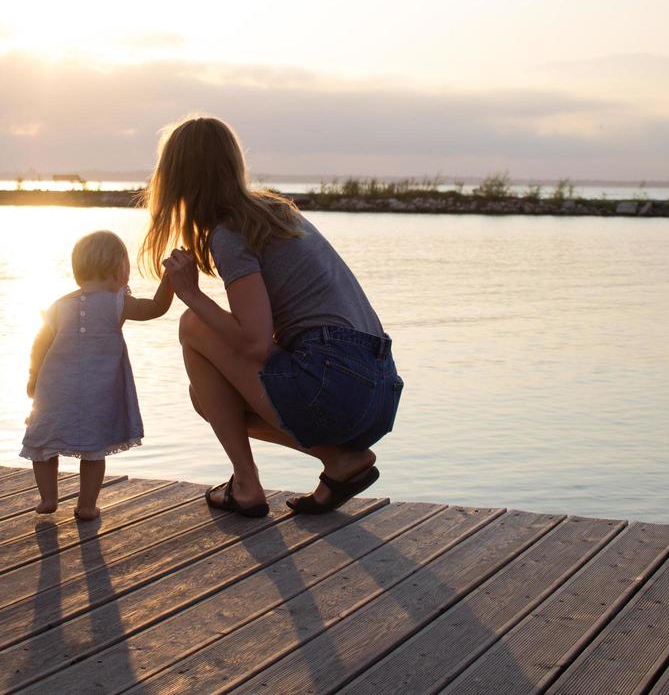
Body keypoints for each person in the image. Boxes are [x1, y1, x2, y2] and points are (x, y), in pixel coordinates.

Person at [143, 116, 403, 517]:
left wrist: (191, 294)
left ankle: (246, 485)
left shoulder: (230, 231)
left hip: (336, 385)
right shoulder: (274, 212)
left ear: (177, 178)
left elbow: (255, 343)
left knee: (192, 326)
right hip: (378, 389)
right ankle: (339, 461)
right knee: (208, 398)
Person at [22, 230, 173, 520]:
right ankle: (86, 505)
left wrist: (33, 377)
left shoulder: (59, 305)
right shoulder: (118, 302)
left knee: (42, 442)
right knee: (94, 451)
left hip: (55, 390)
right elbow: (156, 308)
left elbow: (40, 343)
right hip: (98, 392)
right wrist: (170, 280)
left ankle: (48, 498)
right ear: (120, 272)